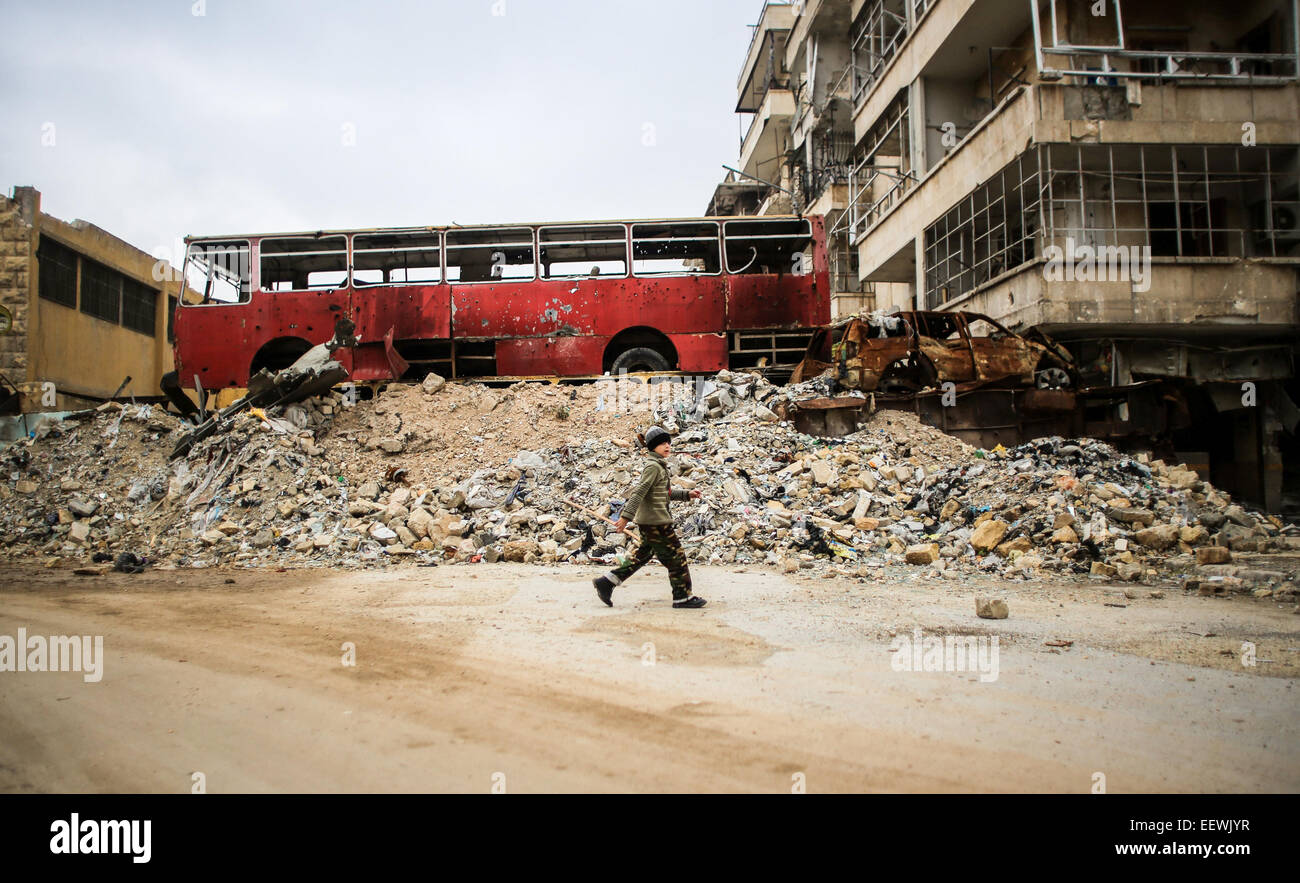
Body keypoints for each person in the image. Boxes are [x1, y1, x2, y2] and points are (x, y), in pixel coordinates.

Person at [593, 426, 706, 609]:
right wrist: (625, 517)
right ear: (653, 447)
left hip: (650, 522)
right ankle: (682, 597)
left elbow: (664, 493)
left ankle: (607, 582)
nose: (667, 446)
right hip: (657, 522)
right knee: (676, 557)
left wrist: (687, 494)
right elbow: (639, 492)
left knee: (641, 557)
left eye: (668, 442)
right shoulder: (653, 467)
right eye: (662, 443)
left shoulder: (659, 466)